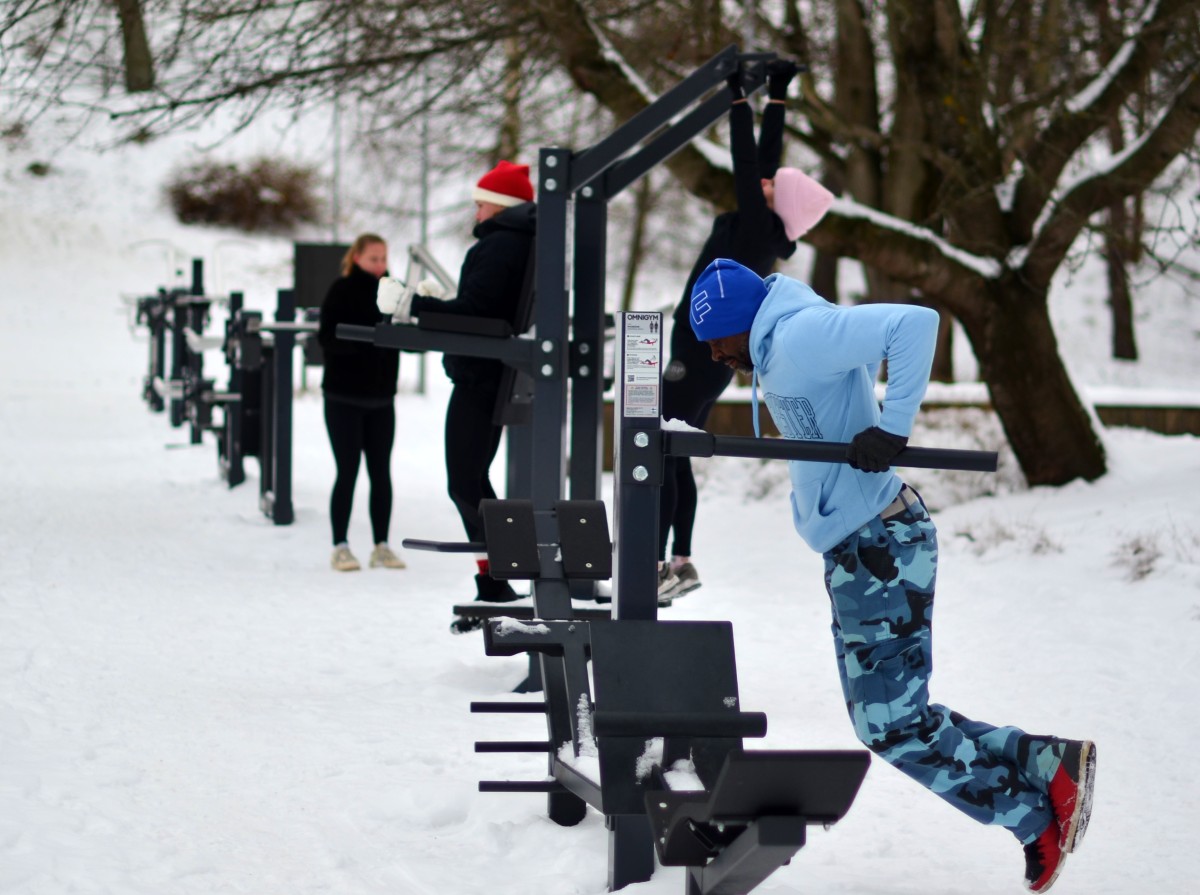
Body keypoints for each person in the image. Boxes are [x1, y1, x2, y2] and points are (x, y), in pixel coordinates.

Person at [686, 258, 1096, 893]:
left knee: (892, 726)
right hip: (862, 546)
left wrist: (893, 427)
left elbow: (913, 322)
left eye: (717, 339)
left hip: (877, 544)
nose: (714, 354)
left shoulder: (797, 335)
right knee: (894, 720)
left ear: (744, 322)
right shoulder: (774, 346)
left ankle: (1030, 812)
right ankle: (1040, 761)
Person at [657, 58, 834, 605]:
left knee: (658, 447)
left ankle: (665, 562)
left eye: (770, 185)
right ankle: (677, 561)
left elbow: (747, 160)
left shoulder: (758, 226)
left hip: (702, 354)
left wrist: (738, 96)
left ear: (777, 204)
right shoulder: (761, 227)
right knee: (669, 449)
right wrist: (777, 93)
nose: (762, 178)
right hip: (702, 351)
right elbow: (763, 161)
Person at [380, 160, 535, 626]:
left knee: (465, 480)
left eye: (481, 202)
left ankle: (504, 575)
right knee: (471, 479)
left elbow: (480, 312)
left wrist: (414, 305)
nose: (477, 209)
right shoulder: (517, 241)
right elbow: (481, 309)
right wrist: (436, 305)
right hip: (491, 373)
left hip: (479, 376)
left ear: (501, 205)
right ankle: (494, 579)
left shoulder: (500, 245)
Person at [316, 234, 407, 572]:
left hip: (382, 400)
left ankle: (381, 545)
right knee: (348, 471)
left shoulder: (393, 292)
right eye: (373, 258)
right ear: (356, 258)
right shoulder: (341, 290)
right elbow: (326, 337)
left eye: (383, 258)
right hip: (343, 398)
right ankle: (340, 546)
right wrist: (368, 344)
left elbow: (405, 334)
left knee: (381, 473)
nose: (380, 265)